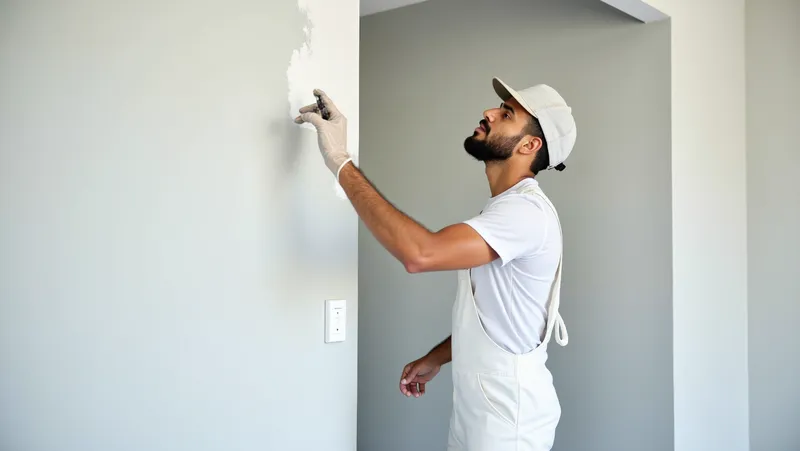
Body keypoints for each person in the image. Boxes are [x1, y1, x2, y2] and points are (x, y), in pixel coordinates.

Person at [295, 77, 576, 451]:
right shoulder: (508, 210)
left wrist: (339, 160)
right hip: (484, 409)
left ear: (529, 145)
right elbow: (502, 318)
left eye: (506, 114)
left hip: (509, 422)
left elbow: (420, 254)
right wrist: (439, 356)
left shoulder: (524, 213)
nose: (488, 112)